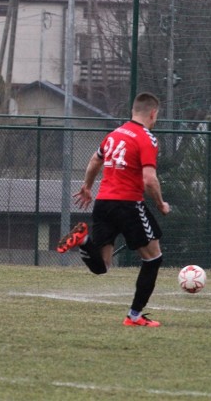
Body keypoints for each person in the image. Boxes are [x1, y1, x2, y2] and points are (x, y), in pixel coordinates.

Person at [60, 92, 171, 327]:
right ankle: (134, 316)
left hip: (103, 203)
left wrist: (87, 187)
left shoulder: (114, 135)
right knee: (154, 259)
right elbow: (149, 180)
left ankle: (83, 240)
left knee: (102, 265)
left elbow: (94, 161)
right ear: (153, 113)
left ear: (133, 111)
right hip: (128, 205)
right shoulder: (147, 138)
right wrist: (161, 204)